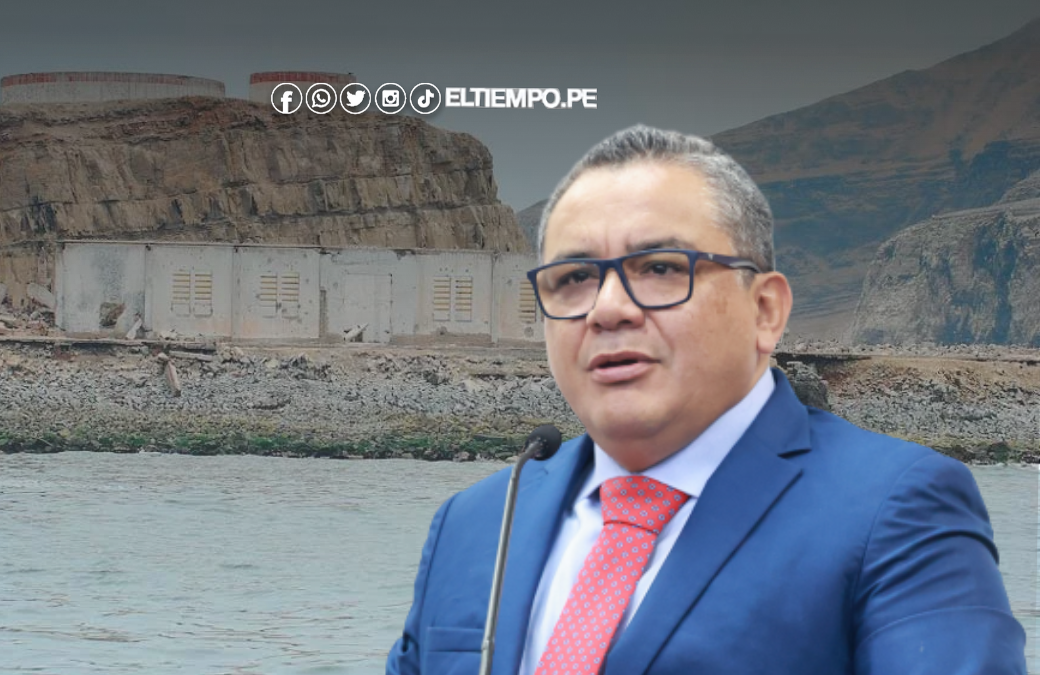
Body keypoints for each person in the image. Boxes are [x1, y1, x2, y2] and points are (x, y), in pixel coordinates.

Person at [385, 124, 1026, 674]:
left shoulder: (898, 510)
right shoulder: (473, 523)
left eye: (661, 268)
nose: (607, 309)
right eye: (574, 278)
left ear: (765, 311)